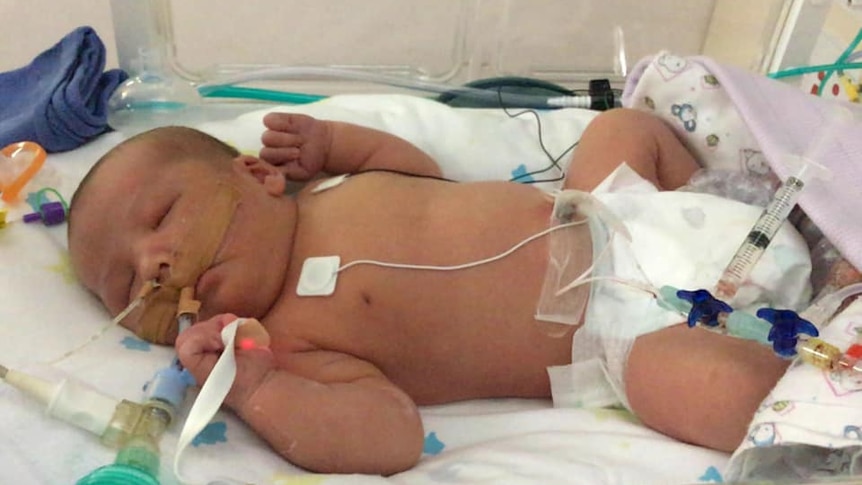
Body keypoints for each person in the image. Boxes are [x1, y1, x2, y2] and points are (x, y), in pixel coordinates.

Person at [67, 108, 804, 475]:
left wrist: (335, 145)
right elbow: (389, 433)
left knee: (623, 125)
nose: (155, 266)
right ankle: (828, 355)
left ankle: (744, 206)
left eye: (159, 218)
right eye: (125, 285)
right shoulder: (283, 344)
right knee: (722, 394)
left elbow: (420, 175)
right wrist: (255, 386)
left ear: (258, 177)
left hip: (604, 209)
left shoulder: (333, 187)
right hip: (613, 330)